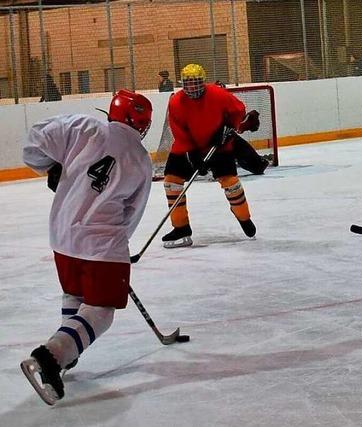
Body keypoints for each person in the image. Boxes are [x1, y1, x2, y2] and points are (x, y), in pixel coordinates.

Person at [20, 89, 153, 405]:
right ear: (143, 125)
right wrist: (118, 253)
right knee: (101, 311)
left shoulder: (82, 126)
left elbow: (33, 143)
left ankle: (68, 351)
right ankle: (52, 355)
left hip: (62, 236)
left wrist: (50, 167)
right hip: (102, 244)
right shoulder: (141, 159)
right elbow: (132, 214)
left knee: (75, 296)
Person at [162, 63, 261, 248]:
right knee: (171, 182)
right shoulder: (176, 101)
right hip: (187, 146)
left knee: (231, 183)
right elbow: (179, 131)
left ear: (203, 82)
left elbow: (238, 110)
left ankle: (244, 218)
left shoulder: (218, 94)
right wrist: (192, 154)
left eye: (196, 83)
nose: (192, 88)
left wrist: (229, 127)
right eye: (188, 84)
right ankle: (181, 227)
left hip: (220, 147)